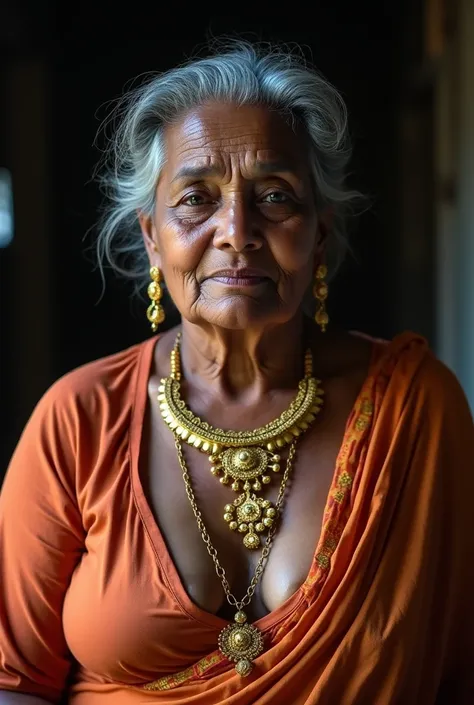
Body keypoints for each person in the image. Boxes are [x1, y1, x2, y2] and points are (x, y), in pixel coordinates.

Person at [0, 39, 473, 705]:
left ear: (320, 234)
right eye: (196, 197)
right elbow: (12, 678)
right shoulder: (78, 416)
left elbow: (458, 670)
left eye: (275, 195)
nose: (236, 229)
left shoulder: (414, 407)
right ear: (150, 236)